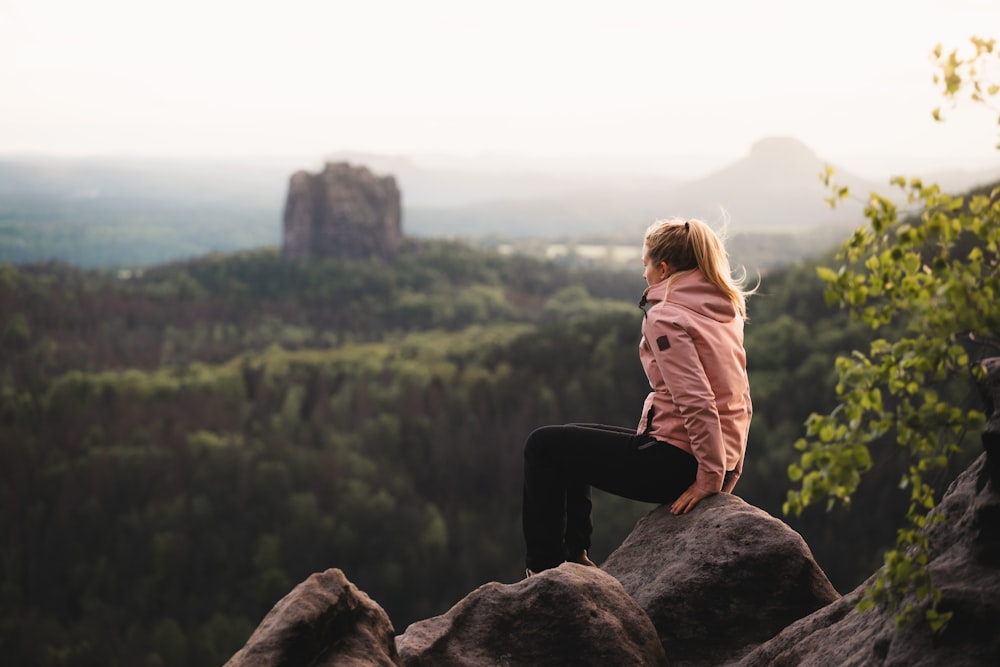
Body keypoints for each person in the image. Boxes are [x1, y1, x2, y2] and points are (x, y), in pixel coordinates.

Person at [522, 217, 754, 575]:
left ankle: (545, 573)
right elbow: (740, 397)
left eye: (645, 263)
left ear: (663, 268)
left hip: (677, 462)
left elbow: (698, 400)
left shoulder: (666, 316)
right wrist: (728, 468)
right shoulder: (723, 310)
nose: (643, 273)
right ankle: (573, 558)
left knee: (543, 446)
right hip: (703, 456)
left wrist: (709, 478)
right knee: (565, 441)